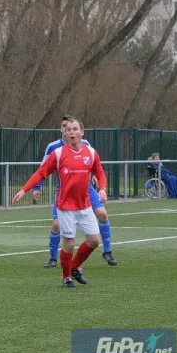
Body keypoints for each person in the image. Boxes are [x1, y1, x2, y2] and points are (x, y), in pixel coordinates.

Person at [13, 118, 107, 287]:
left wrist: (102, 189)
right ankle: (66, 277)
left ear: (82, 132)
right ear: (65, 133)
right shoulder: (58, 154)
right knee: (69, 244)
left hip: (84, 205)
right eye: (68, 129)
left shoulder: (91, 153)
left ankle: (74, 267)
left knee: (94, 240)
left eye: (75, 129)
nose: (71, 132)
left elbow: (99, 173)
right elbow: (41, 173)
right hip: (65, 207)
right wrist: (24, 189)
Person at [33, 115, 117, 268]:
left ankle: (107, 251)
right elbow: (42, 169)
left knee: (103, 214)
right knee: (57, 225)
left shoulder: (84, 144)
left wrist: (96, 179)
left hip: (86, 189)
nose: (68, 130)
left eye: (71, 127)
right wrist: (37, 187)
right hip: (65, 191)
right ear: (61, 129)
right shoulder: (54, 147)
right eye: (65, 127)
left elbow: (91, 163)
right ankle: (53, 258)